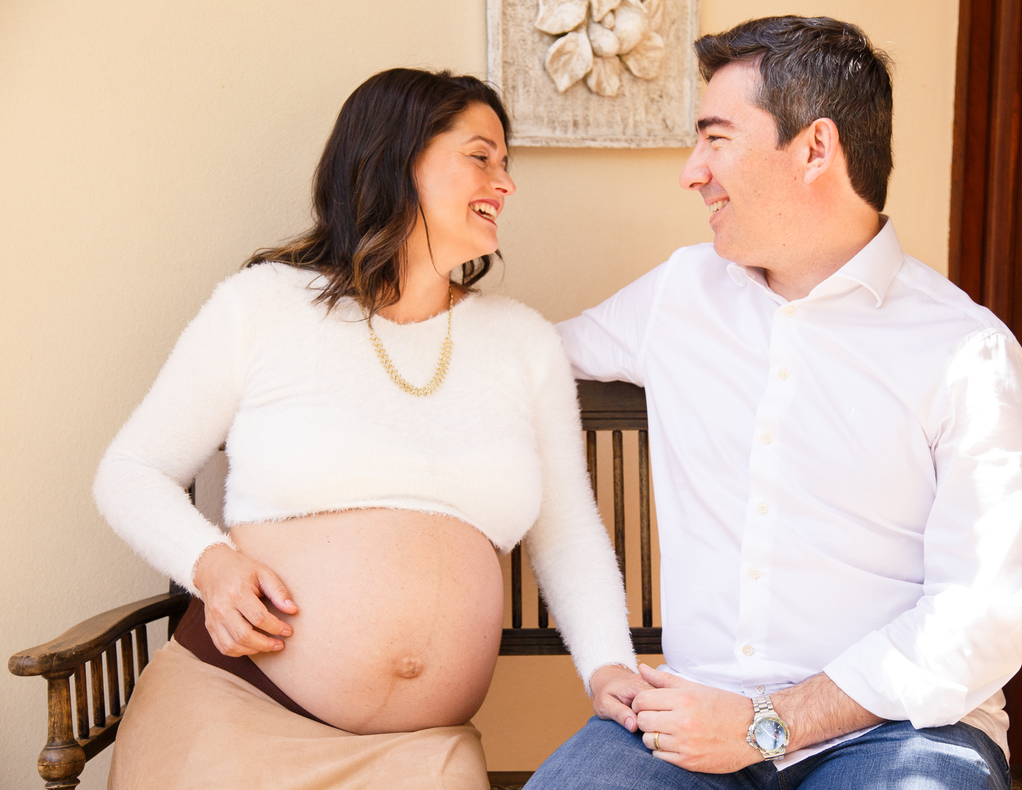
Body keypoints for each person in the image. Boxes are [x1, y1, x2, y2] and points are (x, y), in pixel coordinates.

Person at [528, 16, 1022, 790]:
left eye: (716, 137)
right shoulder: (680, 294)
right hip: (693, 716)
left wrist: (770, 725)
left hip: (896, 733)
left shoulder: (969, 353)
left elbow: (978, 619)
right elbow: (514, 362)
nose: (692, 172)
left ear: (814, 149)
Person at [93, 67, 643, 790]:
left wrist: (611, 668)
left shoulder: (522, 342)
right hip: (234, 707)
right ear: (394, 157)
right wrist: (212, 566)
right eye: (481, 156)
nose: (505, 183)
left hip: (419, 754)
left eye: (507, 164)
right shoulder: (263, 307)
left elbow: (567, 532)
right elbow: (130, 471)